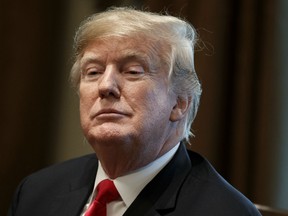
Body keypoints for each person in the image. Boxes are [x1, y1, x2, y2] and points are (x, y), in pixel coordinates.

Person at [8, 7, 261, 216]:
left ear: (179, 103)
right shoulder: (36, 192)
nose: (105, 86)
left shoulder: (226, 211)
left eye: (132, 71)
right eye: (93, 72)